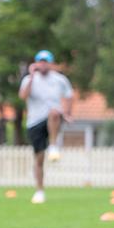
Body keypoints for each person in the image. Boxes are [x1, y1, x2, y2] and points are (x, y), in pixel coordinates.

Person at [18, 50, 73, 204]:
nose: (43, 64)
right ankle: (39, 191)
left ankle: (54, 145)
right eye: (40, 61)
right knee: (39, 159)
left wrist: (68, 113)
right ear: (36, 63)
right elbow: (23, 96)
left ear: (50, 63)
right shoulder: (29, 79)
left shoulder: (59, 80)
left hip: (53, 118)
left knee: (55, 113)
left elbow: (69, 95)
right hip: (34, 121)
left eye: (46, 61)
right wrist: (31, 77)